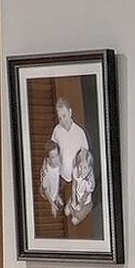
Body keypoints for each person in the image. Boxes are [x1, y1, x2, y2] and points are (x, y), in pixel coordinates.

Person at [40, 93, 96, 236]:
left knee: (79, 199)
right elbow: (52, 148)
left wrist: (83, 173)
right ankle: (57, 199)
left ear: (70, 113)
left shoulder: (80, 133)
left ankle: (76, 207)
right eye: (60, 117)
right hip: (61, 174)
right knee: (46, 190)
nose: (62, 120)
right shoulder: (57, 130)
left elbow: (85, 156)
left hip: (75, 176)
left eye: (64, 116)